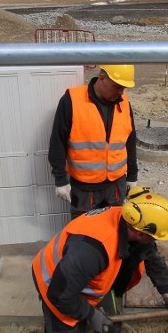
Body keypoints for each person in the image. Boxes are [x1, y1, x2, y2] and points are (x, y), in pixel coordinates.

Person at [31, 186, 168, 333]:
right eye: (153, 237)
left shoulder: (130, 220)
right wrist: (90, 314)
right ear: (140, 233)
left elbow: (151, 256)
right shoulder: (92, 250)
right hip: (55, 284)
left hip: (86, 278)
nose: (155, 242)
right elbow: (59, 294)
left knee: (112, 319)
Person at [49, 64, 138, 218]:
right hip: (85, 189)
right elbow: (57, 142)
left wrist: (132, 174)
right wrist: (60, 179)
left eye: (124, 88)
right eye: (117, 87)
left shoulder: (123, 102)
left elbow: (130, 139)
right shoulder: (72, 101)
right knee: (83, 234)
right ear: (102, 78)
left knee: (113, 229)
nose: (121, 92)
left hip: (116, 185)